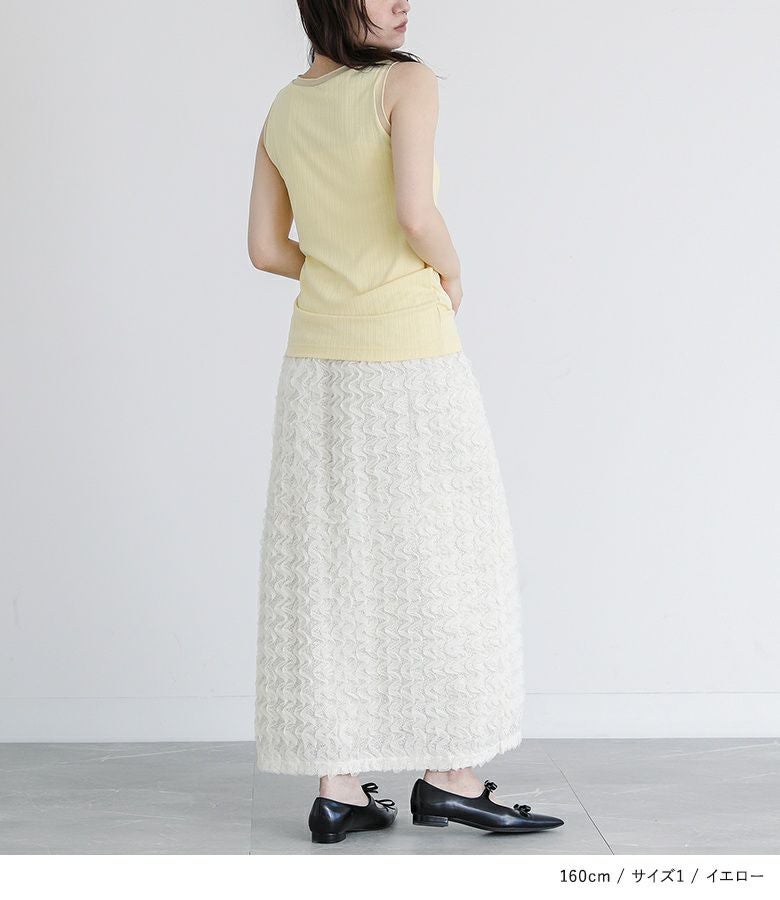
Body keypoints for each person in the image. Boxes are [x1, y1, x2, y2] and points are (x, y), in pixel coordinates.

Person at [247, 0, 564, 844]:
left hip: (315, 363)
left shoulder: (285, 107)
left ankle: (337, 787)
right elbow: (416, 215)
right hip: (410, 354)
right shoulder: (405, 83)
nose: (401, 2)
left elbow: (266, 248)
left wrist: (338, 270)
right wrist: (451, 274)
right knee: (451, 556)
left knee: (330, 568)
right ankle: (451, 776)